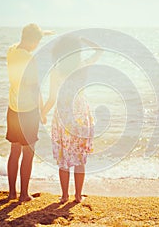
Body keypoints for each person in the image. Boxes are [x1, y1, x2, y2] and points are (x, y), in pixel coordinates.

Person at [41, 35, 102, 203]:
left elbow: (52, 98)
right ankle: (77, 196)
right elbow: (99, 50)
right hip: (81, 115)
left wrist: (43, 113)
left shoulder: (56, 70)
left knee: (63, 158)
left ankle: (64, 196)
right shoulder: (82, 65)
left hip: (63, 116)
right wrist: (83, 40)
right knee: (80, 157)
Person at [6, 23, 54, 201]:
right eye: (37, 42)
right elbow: (36, 88)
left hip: (13, 109)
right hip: (28, 111)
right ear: (33, 41)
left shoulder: (11, 51)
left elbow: (20, 42)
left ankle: (12, 193)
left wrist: (43, 33)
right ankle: (24, 194)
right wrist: (42, 112)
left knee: (14, 151)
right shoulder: (30, 60)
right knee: (28, 153)